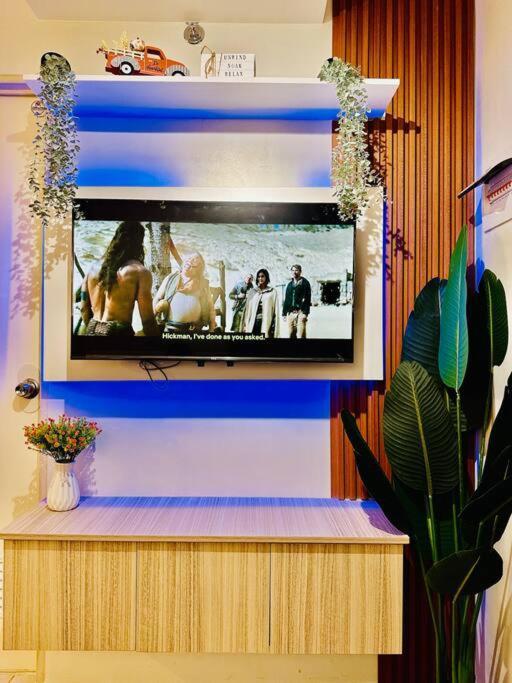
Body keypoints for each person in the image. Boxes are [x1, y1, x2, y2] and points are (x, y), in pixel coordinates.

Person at [81, 221, 159, 336]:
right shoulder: (139, 271)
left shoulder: (92, 268)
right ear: (139, 242)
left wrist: (93, 330)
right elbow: (148, 321)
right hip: (118, 332)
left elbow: (83, 308)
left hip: (92, 328)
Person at [153, 252, 216, 333]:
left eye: (194, 263)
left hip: (194, 330)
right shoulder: (171, 278)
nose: (190, 262)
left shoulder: (202, 284)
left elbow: (211, 307)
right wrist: (152, 320)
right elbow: (157, 298)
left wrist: (211, 329)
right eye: (189, 260)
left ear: (199, 269)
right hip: (171, 329)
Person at [243, 268, 279, 338]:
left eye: (262, 276)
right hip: (254, 322)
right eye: (259, 277)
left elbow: (275, 310)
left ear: (266, 277)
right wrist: (245, 325)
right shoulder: (252, 292)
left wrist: (274, 325)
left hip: (266, 322)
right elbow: (247, 310)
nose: (260, 278)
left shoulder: (272, 292)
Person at [282, 264, 311, 339]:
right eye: (293, 270)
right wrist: (284, 313)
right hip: (291, 313)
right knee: (291, 334)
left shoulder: (305, 283)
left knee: (301, 335)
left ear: (300, 272)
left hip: (301, 312)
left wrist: (305, 313)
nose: (294, 272)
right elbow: (287, 299)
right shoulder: (289, 285)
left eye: (296, 270)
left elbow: (308, 299)